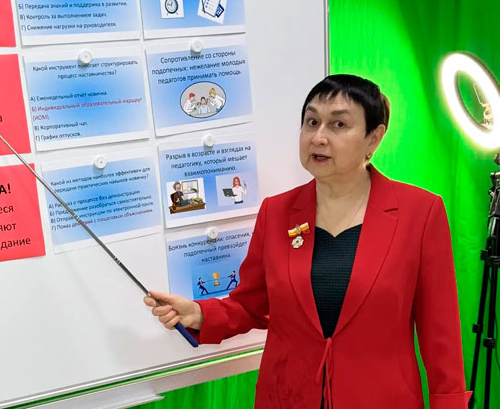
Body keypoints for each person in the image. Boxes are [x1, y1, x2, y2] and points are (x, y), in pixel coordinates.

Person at [145, 75, 472, 409]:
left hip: (381, 398)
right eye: (312, 122)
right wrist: (200, 314)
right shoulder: (277, 212)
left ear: (374, 138)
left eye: (339, 124)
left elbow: (440, 333)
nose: (319, 137)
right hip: (287, 397)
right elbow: (250, 305)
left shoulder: (420, 212)